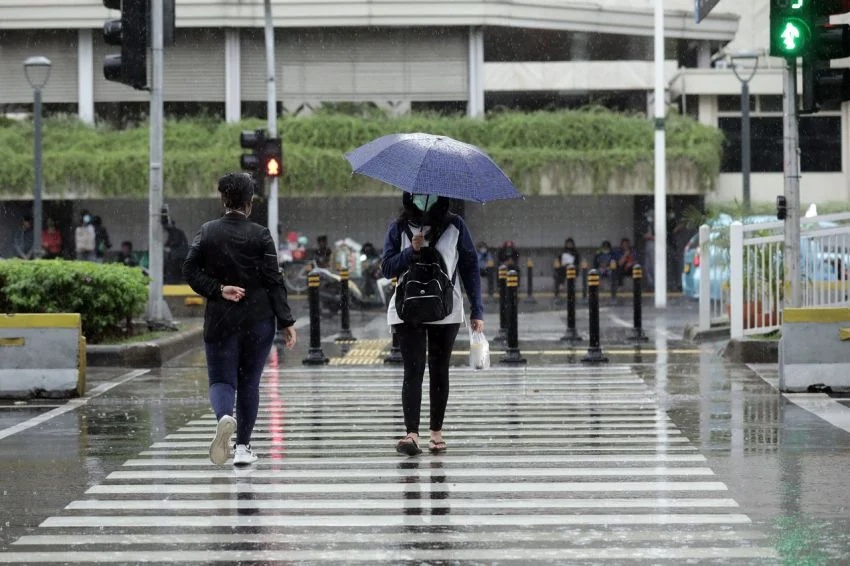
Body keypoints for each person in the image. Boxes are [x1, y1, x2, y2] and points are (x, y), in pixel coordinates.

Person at [183, 172, 297, 467]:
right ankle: (243, 447)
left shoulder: (208, 232)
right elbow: (274, 280)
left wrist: (218, 289)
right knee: (249, 383)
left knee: (222, 380)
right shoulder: (261, 235)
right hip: (258, 320)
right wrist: (286, 321)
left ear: (223, 199)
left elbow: (189, 270)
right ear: (249, 203)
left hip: (221, 319)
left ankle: (224, 417)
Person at [381, 192, 484, 456]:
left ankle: (436, 432)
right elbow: (387, 268)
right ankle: (411, 433)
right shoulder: (399, 227)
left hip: (446, 309)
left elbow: (470, 266)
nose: (423, 200)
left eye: (430, 196)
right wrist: (410, 251)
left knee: (440, 370)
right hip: (408, 309)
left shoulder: (455, 226)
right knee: (412, 370)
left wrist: (477, 310)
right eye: (417, 195)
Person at [163, 209, 189, 283]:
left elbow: (174, 245)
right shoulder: (172, 232)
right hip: (177, 260)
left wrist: (168, 249)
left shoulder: (175, 232)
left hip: (178, 260)